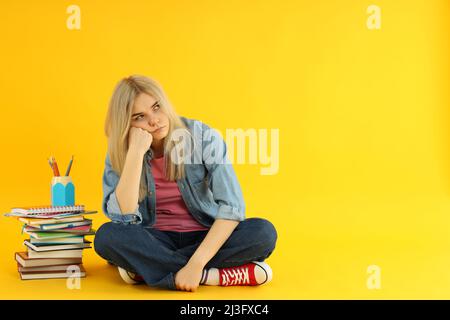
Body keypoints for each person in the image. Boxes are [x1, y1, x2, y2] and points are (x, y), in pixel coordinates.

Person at [94, 75, 278, 292]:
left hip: (205, 236)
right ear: (127, 123)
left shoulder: (202, 136)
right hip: (154, 238)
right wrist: (135, 152)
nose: (154, 120)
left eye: (156, 107)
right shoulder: (121, 150)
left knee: (263, 232)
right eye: (139, 117)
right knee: (107, 236)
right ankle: (215, 276)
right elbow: (122, 216)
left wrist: (196, 263)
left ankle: (149, 269)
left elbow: (232, 208)